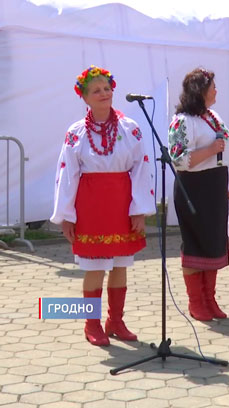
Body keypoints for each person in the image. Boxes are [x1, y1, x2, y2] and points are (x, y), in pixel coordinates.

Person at [51, 65, 155, 346]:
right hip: (91, 207)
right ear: (84, 97)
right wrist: (66, 216)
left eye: (107, 88)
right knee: (95, 266)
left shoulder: (129, 128)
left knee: (120, 264)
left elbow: (141, 169)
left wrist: (140, 210)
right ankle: (91, 323)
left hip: (121, 205)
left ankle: (116, 320)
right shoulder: (76, 133)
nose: (104, 93)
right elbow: (67, 174)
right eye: (96, 90)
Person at [168, 68, 229, 321]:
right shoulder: (182, 121)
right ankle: (196, 302)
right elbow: (179, 159)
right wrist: (211, 149)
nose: (216, 90)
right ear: (200, 90)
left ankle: (209, 299)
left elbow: (223, 144)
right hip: (193, 188)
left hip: (213, 184)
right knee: (196, 244)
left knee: (214, 243)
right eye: (212, 86)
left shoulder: (211, 116)